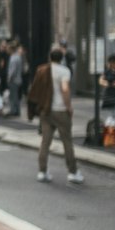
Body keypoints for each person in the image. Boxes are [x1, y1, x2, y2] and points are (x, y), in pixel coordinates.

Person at [33, 46, 83, 184]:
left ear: (50, 57)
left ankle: (42, 171)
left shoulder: (42, 69)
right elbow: (65, 89)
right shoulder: (64, 71)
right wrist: (69, 106)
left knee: (45, 141)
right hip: (60, 110)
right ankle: (72, 172)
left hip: (46, 110)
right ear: (62, 58)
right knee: (67, 141)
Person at [6, 39, 25, 118]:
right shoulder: (18, 57)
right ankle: (16, 110)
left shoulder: (13, 58)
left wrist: (9, 78)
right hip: (18, 79)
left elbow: (12, 70)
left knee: (13, 96)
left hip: (14, 80)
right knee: (16, 96)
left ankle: (13, 110)